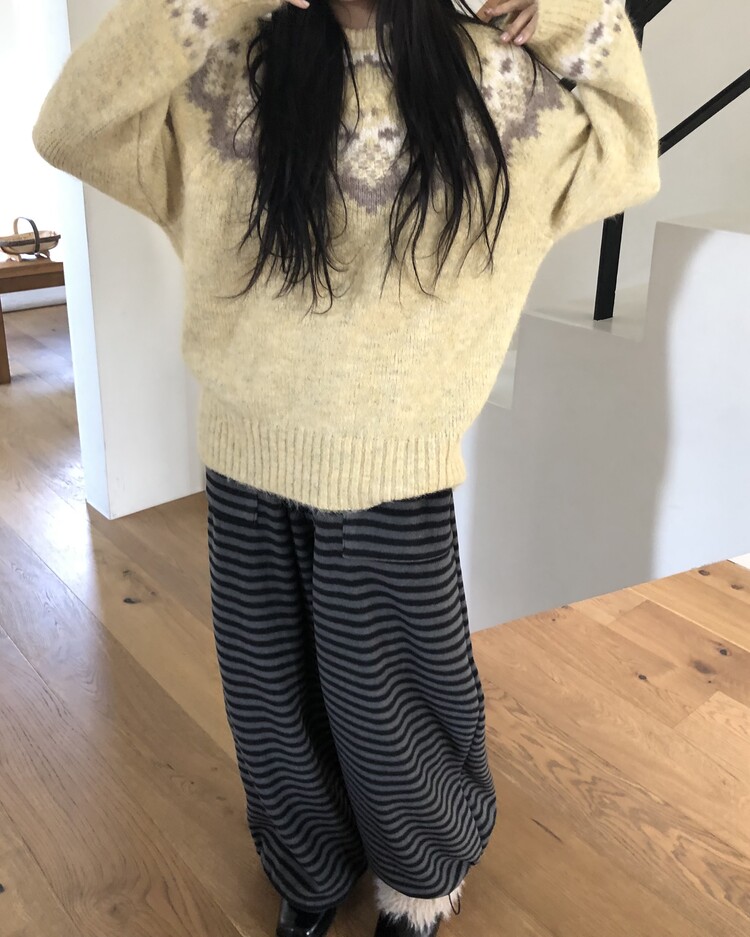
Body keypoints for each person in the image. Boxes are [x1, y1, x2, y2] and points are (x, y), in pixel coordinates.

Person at [32, 0, 660, 935]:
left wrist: (567, 11)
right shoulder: (228, 65)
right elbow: (71, 127)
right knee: (271, 703)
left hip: (395, 478)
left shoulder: (497, 80)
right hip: (245, 461)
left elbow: (630, 150)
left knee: (391, 705)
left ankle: (419, 882)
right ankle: (310, 870)